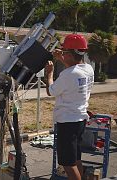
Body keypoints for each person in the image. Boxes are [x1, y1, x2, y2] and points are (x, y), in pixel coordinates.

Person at [45, 34, 94, 180]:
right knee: (76, 159)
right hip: (79, 120)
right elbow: (74, 68)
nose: (63, 55)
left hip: (67, 123)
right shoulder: (88, 69)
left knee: (67, 164)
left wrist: (49, 73)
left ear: (71, 54)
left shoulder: (67, 75)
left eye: (65, 53)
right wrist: (62, 57)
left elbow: (50, 91)